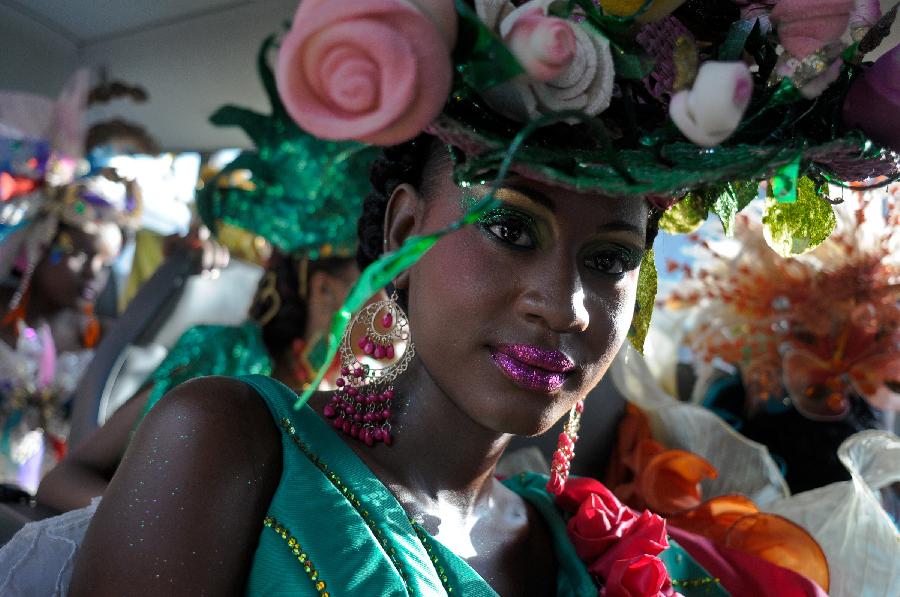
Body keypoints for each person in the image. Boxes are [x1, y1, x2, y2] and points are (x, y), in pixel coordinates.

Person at [71, 1, 898, 595]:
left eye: (610, 260)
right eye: (510, 229)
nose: (567, 304)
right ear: (402, 232)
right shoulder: (233, 440)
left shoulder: (605, 552)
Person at [0, 71, 140, 493]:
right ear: (40, 244)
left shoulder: (104, 338)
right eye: (81, 253)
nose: (95, 274)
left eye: (106, 262)